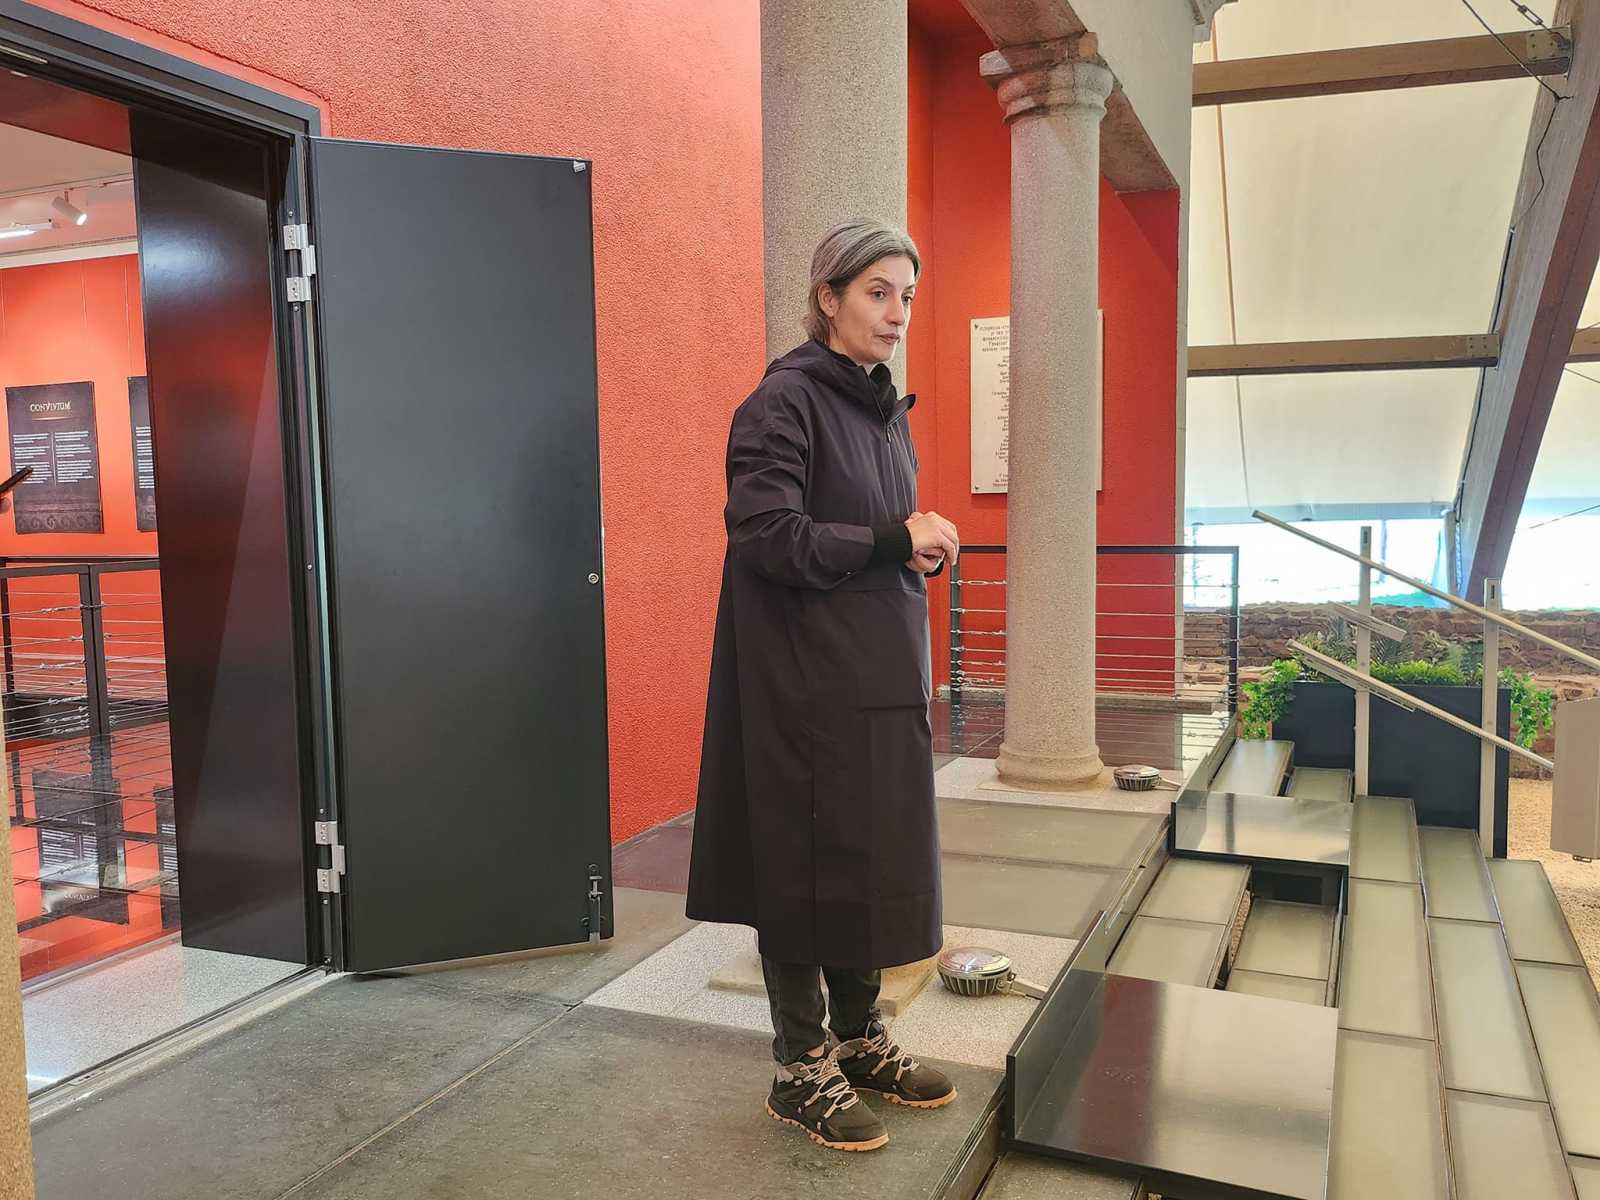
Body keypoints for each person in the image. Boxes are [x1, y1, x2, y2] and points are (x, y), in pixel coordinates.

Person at [687, 219, 961, 1153]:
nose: (897, 313)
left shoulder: (882, 410)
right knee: (804, 867)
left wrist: (906, 551)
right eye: (878, 292)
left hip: (875, 679)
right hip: (805, 689)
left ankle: (858, 1037)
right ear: (828, 299)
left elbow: (863, 537)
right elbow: (766, 535)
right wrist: (892, 539)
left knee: (865, 859)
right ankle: (800, 1066)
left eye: (907, 296)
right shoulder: (783, 402)